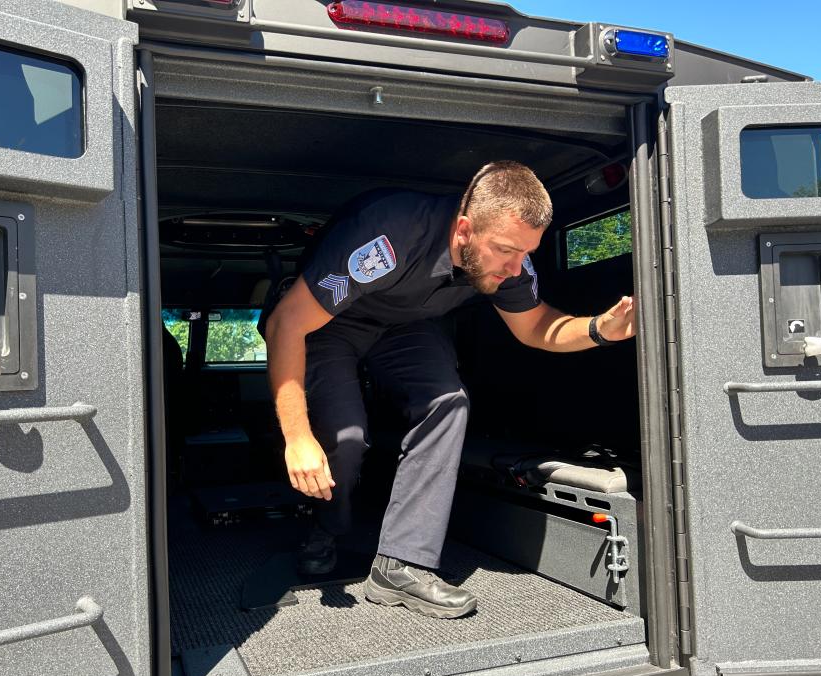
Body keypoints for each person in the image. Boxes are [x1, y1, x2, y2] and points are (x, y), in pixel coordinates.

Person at [263, 161, 635, 619]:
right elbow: (287, 322)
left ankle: (401, 566)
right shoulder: (387, 235)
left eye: (525, 253)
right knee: (345, 439)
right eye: (504, 251)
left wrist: (602, 329)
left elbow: (536, 326)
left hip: (404, 327)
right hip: (331, 322)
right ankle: (326, 526)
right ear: (463, 229)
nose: (515, 267)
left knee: (448, 402)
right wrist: (297, 439)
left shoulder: (511, 259)